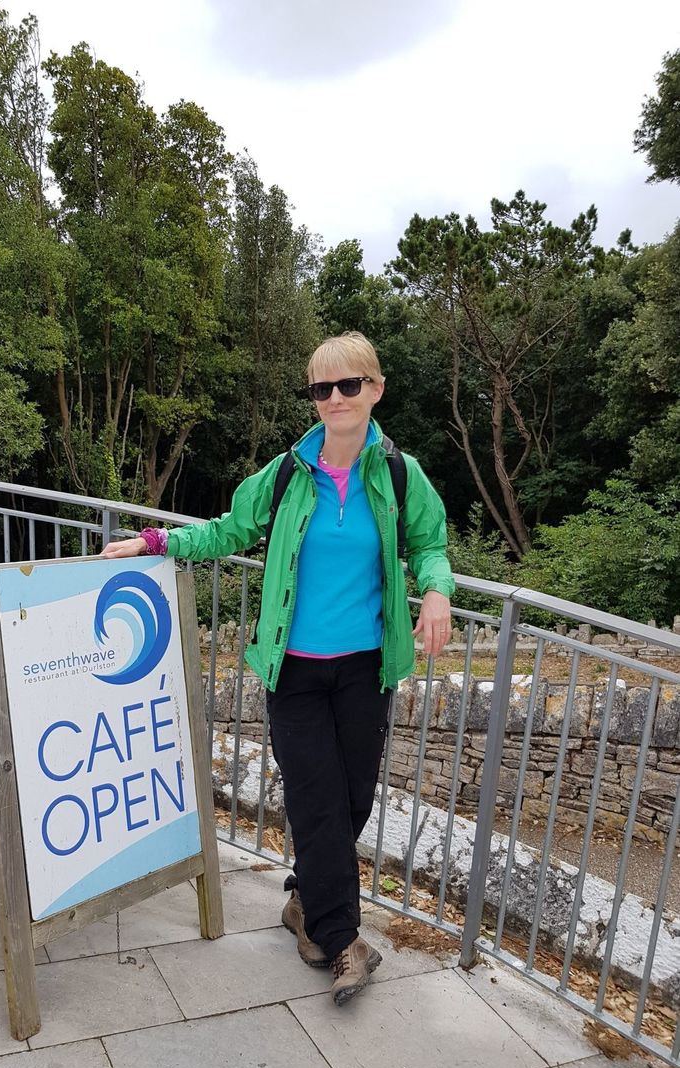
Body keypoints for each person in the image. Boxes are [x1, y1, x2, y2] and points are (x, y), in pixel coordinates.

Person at [103, 331, 454, 1005]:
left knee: (351, 800)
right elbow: (229, 529)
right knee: (317, 800)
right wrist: (155, 541)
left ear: (375, 390)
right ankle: (342, 940)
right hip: (293, 672)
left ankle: (302, 901)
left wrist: (436, 589)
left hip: (364, 670)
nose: (334, 398)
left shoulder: (398, 473)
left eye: (348, 385)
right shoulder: (289, 472)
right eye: (322, 388)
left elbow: (429, 543)